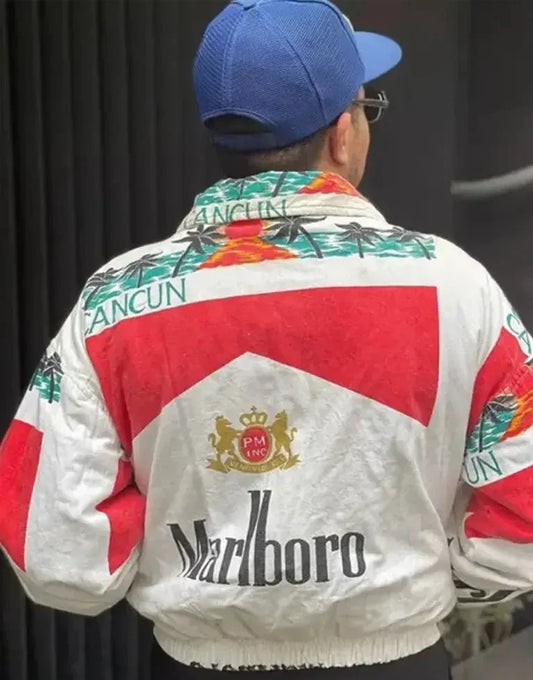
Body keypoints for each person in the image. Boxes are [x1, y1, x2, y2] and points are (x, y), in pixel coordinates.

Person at [1, 1, 533, 679]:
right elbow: (522, 519)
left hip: (193, 664)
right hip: (396, 661)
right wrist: (425, 574)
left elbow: (53, 549)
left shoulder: (115, 302)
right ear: (342, 133)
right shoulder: (453, 285)